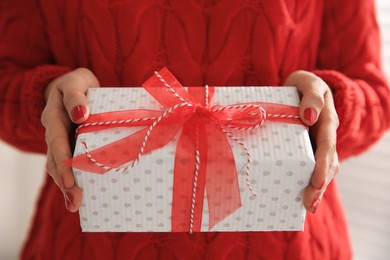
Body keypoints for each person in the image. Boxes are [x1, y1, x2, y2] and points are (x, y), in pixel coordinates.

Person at [1, 0, 389, 259]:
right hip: (88, 240)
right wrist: (49, 97)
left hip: (292, 241)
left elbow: (376, 97)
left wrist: (329, 104)